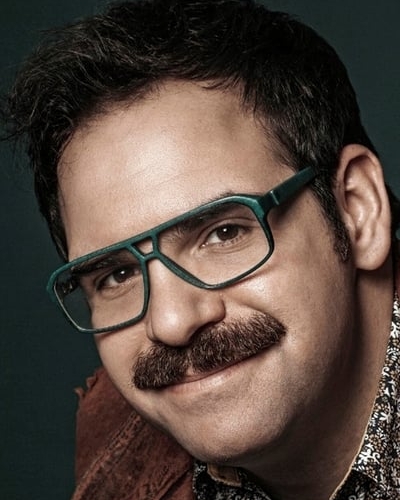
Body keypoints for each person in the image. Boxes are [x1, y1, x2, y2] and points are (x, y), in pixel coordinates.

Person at [2, 0, 400, 498]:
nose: (171, 323)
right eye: (118, 275)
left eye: (224, 233)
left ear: (357, 210)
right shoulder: (112, 445)